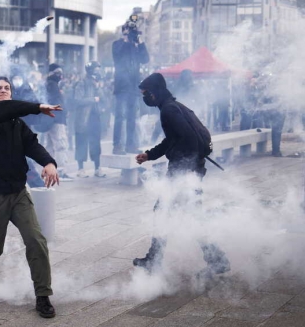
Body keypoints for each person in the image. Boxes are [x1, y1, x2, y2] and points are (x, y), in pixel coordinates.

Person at [0, 76, 62, 318]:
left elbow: (32, 144)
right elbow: (4, 109)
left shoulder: (17, 123)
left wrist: (48, 162)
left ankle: (43, 296)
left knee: (36, 240)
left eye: (7, 88)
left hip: (18, 193)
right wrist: (38, 106)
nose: (4, 91)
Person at [134, 73, 230, 277]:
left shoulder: (169, 110)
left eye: (146, 94)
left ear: (154, 92)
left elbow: (187, 139)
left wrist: (185, 168)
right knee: (186, 213)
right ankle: (214, 259)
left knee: (165, 211)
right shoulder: (175, 106)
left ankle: (156, 259)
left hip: (184, 170)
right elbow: (173, 139)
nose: (145, 98)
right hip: (190, 169)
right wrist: (150, 154)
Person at [112, 18, 149, 154]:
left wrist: (140, 42)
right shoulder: (117, 44)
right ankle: (117, 146)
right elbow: (117, 54)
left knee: (132, 118)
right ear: (123, 33)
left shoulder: (136, 47)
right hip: (122, 86)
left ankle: (130, 145)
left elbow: (145, 59)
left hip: (134, 87)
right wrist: (126, 39)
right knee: (120, 116)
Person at [72, 62, 106, 178]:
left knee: (96, 143)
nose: (98, 72)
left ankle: (97, 168)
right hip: (83, 119)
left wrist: (98, 88)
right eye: (96, 69)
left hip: (95, 119)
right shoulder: (81, 83)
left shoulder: (96, 84)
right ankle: (80, 169)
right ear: (90, 70)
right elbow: (77, 100)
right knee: (81, 143)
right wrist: (93, 99)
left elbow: (103, 99)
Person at [44, 64, 71, 179]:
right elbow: (55, 102)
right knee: (61, 145)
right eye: (57, 72)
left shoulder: (49, 84)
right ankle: (60, 171)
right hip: (57, 119)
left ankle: (49, 171)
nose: (60, 74)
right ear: (51, 73)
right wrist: (63, 111)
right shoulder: (52, 85)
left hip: (51, 119)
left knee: (50, 146)